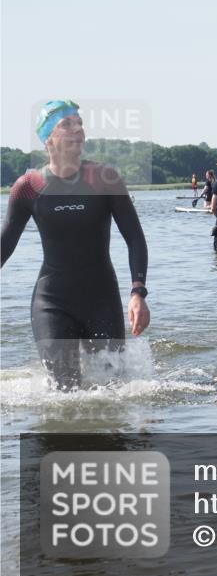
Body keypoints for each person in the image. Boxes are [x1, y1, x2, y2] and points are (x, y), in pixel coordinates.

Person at [1, 100, 150, 391]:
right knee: (64, 392)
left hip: (101, 301)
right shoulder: (28, 186)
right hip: (52, 302)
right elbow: (4, 245)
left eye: (79, 123)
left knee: (113, 392)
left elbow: (135, 238)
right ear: (48, 138)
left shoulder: (105, 179)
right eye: (66, 124)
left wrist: (137, 293)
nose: (77, 129)